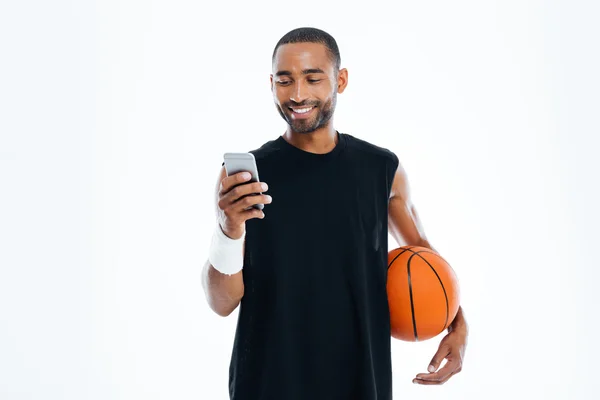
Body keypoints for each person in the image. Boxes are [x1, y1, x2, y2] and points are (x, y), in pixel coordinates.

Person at [201, 27, 469, 400]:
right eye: (285, 80)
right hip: (269, 383)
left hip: (360, 381)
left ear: (340, 81)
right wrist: (228, 229)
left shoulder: (382, 170)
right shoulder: (247, 178)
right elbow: (221, 302)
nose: (297, 95)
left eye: (313, 78)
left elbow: (423, 256)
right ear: (271, 84)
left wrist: (458, 325)